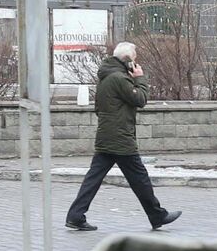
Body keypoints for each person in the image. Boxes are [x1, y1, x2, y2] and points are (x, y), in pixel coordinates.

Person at [65, 42, 182, 232]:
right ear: (128, 61)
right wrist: (140, 79)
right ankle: (157, 215)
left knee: (93, 178)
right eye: (134, 59)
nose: (136, 63)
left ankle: (75, 216)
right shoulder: (119, 78)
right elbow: (140, 100)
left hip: (107, 136)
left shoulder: (106, 77)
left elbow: (99, 108)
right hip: (120, 138)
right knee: (140, 178)